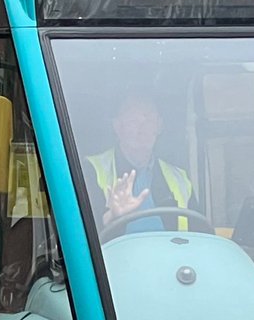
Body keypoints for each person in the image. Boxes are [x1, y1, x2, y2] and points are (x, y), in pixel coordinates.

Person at [83, 95, 199, 235]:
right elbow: (80, 238)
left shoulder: (180, 177)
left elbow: (201, 235)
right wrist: (112, 217)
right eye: (134, 120)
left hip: (174, 255)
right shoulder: (88, 170)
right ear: (118, 127)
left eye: (149, 119)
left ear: (159, 126)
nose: (143, 128)